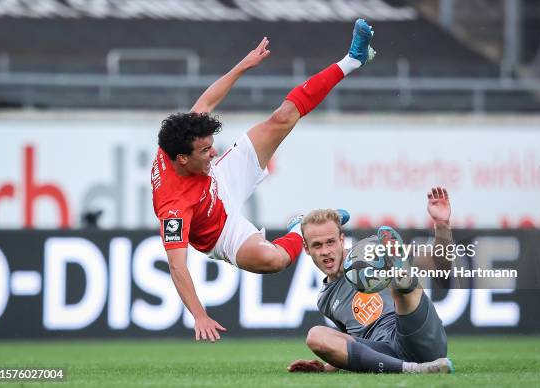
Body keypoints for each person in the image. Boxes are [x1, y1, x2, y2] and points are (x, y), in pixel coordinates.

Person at [151, 19, 376, 342]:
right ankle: (300, 229)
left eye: (211, 145)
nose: (214, 152)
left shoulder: (181, 143)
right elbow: (177, 266)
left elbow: (207, 101)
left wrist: (243, 65)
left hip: (217, 182)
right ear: (182, 159)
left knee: (282, 117)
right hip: (220, 231)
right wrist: (199, 315)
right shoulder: (174, 208)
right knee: (274, 260)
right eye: (205, 150)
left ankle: (352, 59)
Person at [287, 187, 455, 374]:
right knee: (315, 335)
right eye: (317, 245)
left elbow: (439, 266)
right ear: (307, 249)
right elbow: (351, 342)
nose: (325, 251)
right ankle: (413, 369)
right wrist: (325, 368)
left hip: (416, 335)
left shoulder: (373, 250)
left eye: (330, 242)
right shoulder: (325, 300)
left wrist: (442, 225)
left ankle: (401, 278)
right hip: (384, 353)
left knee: (402, 286)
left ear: (342, 239)